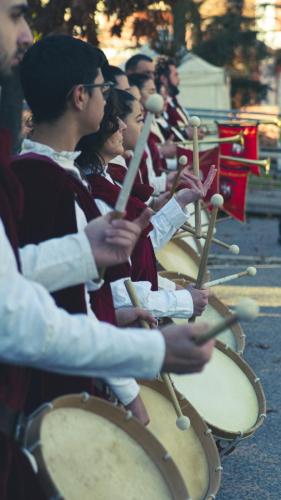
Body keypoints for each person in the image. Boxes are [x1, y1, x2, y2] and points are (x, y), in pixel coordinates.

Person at [0, 3, 214, 497]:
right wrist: (143, 358)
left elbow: (15, 276)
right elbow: (21, 313)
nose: (27, 34)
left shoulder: (51, 176)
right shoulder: (47, 180)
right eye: (15, 15)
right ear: (80, 97)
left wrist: (85, 251)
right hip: (51, 388)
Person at [155, 55, 204, 140]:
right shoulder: (161, 106)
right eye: (175, 75)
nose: (179, 79)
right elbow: (166, 135)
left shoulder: (173, 101)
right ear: (164, 79)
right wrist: (186, 134)